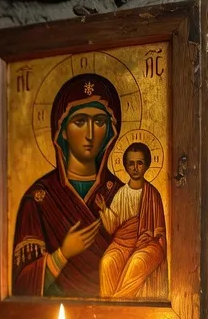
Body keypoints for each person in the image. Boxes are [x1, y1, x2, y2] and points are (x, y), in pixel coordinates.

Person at [10, 73, 127, 298]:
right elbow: (23, 288)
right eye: (80, 121)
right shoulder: (39, 199)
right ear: (62, 130)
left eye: (99, 122)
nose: (90, 134)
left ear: (110, 131)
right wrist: (62, 254)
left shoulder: (123, 194)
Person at [98, 142, 168, 299]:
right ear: (125, 166)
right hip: (122, 244)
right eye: (131, 163)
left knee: (137, 261)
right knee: (107, 262)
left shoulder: (153, 194)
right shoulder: (121, 194)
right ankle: (111, 304)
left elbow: (160, 231)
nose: (135, 168)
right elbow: (112, 227)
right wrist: (104, 210)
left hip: (148, 244)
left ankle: (115, 303)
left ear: (146, 165)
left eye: (139, 163)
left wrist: (152, 237)